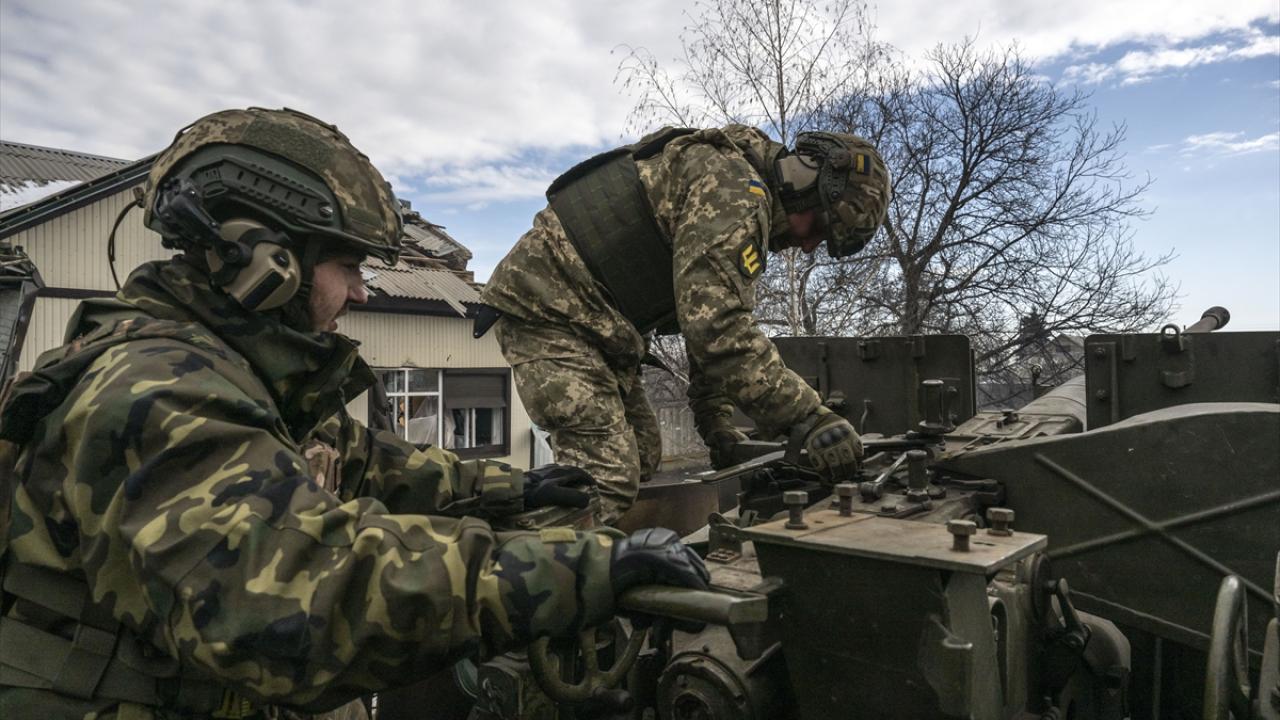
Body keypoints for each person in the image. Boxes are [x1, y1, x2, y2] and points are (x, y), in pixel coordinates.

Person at [0, 108, 708, 719]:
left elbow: (366, 458)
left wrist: (509, 489)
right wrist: (574, 571)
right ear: (265, 262)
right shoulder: (158, 391)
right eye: (349, 267)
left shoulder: (232, 373)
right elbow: (297, 598)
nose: (364, 293)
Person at [480, 125, 890, 522]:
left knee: (640, 454)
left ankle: (506, 518)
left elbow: (703, 322)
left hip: (591, 323)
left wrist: (718, 428)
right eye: (819, 227)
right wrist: (810, 419)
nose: (807, 244)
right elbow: (718, 331)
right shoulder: (734, 195)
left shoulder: (740, 187)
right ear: (806, 182)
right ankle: (499, 572)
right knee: (604, 480)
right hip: (548, 310)